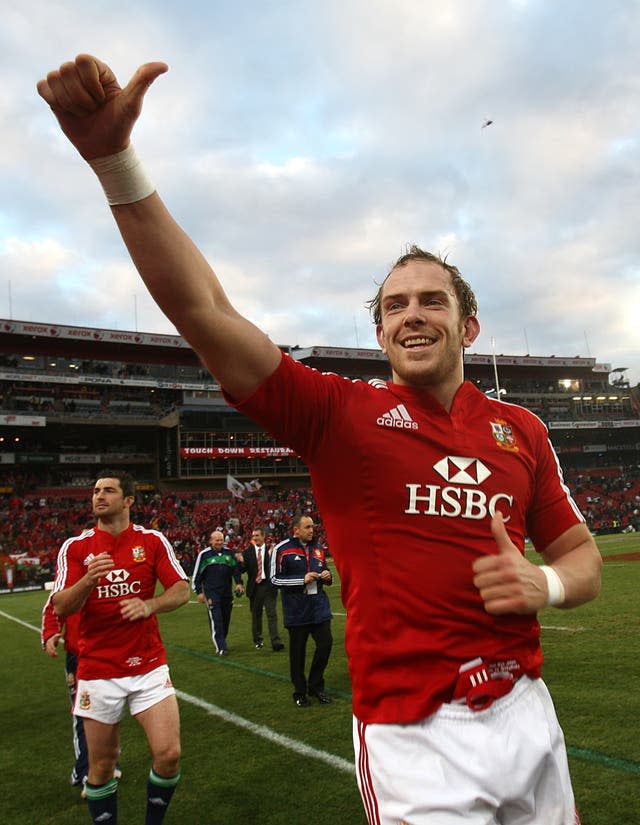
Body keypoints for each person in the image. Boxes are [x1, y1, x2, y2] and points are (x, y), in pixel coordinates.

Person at [38, 55, 603, 825]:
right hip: (415, 734)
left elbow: (581, 556)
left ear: (466, 325)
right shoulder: (342, 415)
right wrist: (114, 160)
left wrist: (548, 586)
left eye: (432, 300)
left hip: (529, 711)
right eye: (395, 304)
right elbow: (205, 310)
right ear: (379, 332)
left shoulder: (523, 429)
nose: (413, 313)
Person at [50, 468, 190, 825]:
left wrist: (150, 605)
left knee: (169, 753)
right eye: (96, 490)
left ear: (128, 500)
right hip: (97, 670)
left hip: (147, 665)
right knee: (102, 764)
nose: (99, 496)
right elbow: (61, 605)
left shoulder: (153, 541)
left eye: (108, 490)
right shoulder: (77, 547)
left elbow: (181, 589)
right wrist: (89, 579)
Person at [41, 600, 123, 797]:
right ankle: (84, 771)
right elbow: (54, 604)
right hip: (80, 656)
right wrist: (50, 633)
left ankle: (109, 762)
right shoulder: (72, 573)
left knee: (110, 710)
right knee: (84, 714)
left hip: (110, 652)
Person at [271, 515, 333, 706]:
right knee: (297, 653)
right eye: (307, 527)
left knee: (326, 645)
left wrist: (327, 576)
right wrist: (301, 580)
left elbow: (325, 574)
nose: (311, 530)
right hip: (297, 611)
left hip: (319, 607)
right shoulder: (282, 549)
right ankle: (299, 692)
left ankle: (316, 686)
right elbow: (274, 579)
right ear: (296, 530)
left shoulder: (318, 548)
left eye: (312, 527)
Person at [191, 530, 244, 656]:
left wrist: (238, 583)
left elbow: (235, 570)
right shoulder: (204, 555)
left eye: (221, 540)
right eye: (217, 540)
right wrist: (198, 592)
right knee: (217, 619)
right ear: (210, 541)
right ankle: (221, 647)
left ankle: (222, 640)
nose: (219, 542)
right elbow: (197, 575)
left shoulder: (229, 553)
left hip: (227, 593)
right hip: (211, 593)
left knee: (225, 620)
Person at [240, 526, 285, 651]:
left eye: (257, 535)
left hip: (269, 586)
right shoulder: (247, 552)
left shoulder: (272, 550)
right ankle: (258, 640)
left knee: (272, 614)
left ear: (263, 536)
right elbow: (242, 570)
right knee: (256, 615)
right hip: (255, 588)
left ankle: (276, 642)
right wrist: (240, 562)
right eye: (253, 536)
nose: (255, 538)